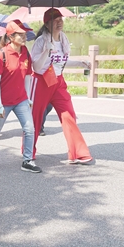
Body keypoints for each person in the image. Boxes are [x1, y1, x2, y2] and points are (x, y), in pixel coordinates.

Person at [30, 8, 93, 164]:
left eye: (60, 20)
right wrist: (46, 51)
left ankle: (77, 153)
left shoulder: (63, 39)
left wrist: (80, 63)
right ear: (47, 23)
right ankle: (28, 153)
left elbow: (60, 62)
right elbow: (36, 67)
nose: (59, 22)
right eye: (55, 20)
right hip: (41, 82)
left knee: (68, 115)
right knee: (35, 119)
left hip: (58, 81)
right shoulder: (41, 41)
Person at [0, 21, 42, 173]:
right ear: (10, 36)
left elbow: (28, 76)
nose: (24, 37)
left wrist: (28, 98)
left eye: (24, 34)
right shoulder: (1, 54)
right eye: (20, 34)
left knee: (29, 128)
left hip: (21, 99)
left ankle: (27, 160)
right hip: (4, 101)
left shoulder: (25, 52)